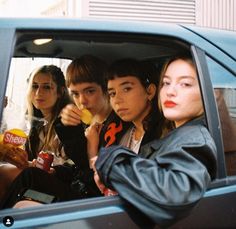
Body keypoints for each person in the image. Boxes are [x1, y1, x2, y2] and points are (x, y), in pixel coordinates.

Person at [91, 55, 217, 227]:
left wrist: (112, 162)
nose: (170, 91)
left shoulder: (194, 138)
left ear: (208, 92)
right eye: (166, 83)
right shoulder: (177, 135)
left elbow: (174, 194)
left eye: (185, 84)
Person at [0, 55, 130, 209]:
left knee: (26, 183)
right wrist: (56, 171)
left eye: (89, 91)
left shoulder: (117, 126)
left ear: (106, 89)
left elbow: (98, 182)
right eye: (75, 94)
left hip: (93, 201)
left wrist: (90, 149)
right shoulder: (85, 122)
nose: (81, 100)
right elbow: (76, 167)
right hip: (77, 187)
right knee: (27, 177)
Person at [85, 58, 166, 194]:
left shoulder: (164, 135)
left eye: (126, 89)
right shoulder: (118, 132)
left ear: (150, 91)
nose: (117, 100)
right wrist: (92, 148)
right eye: (112, 93)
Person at [0, 65, 71, 202]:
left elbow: (73, 168)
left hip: (62, 187)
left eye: (46, 87)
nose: (38, 92)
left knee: (2, 173)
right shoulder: (35, 124)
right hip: (37, 177)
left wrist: (54, 170)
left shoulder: (67, 123)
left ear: (60, 92)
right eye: (34, 86)